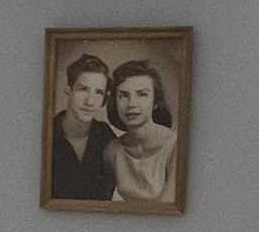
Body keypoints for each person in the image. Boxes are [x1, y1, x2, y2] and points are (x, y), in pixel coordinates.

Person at [48, 52, 117, 201]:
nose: (90, 101)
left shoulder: (106, 135)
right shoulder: (46, 133)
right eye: (83, 89)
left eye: (98, 92)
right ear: (68, 90)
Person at [108, 58, 178, 205]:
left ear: (155, 102)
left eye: (142, 94)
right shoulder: (112, 150)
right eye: (123, 95)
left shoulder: (176, 145)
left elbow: (167, 208)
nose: (131, 104)